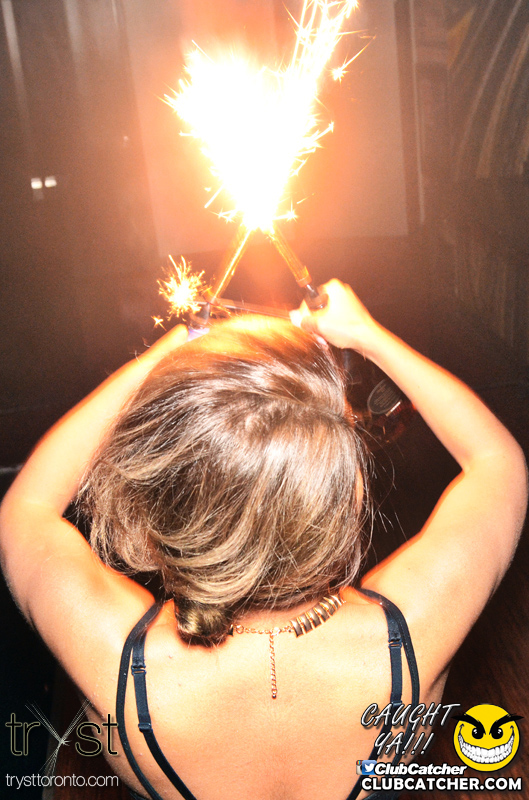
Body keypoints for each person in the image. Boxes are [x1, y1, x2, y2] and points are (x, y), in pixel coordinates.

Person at [0, 279, 526, 800]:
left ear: (168, 503)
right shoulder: (412, 635)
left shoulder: (119, 663)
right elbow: (496, 462)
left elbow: (27, 508)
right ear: (349, 492)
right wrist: (367, 335)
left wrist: (164, 358)